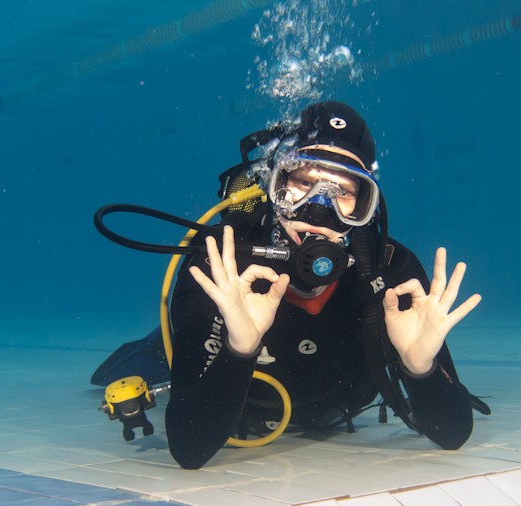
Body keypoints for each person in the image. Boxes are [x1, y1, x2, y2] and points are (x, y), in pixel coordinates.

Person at [160, 101, 487, 469]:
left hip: (338, 405)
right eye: (301, 183)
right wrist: (239, 347)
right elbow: (188, 449)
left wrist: (420, 367)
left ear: (365, 207)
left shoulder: (393, 273)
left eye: (345, 192)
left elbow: (454, 432)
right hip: (246, 405)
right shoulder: (222, 264)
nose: (319, 209)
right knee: (159, 353)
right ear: (275, 182)